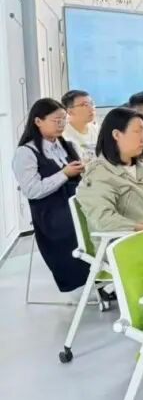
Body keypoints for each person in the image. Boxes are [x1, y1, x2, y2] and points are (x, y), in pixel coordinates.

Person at [12, 98, 89, 292]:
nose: (61, 124)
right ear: (38, 121)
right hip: (51, 214)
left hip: (76, 203)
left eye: (64, 120)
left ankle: (105, 275)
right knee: (84, 227)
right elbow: (32, 190)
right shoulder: (26, 153)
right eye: (56, 120)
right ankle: (93, 278)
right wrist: (64, 174)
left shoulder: (68, 145)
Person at [77, 107, 143, 232]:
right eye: (137, 132)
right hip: (133, 238)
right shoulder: (98, 174)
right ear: (116, 135)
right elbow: (103, 220)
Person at [61, 90, 98, 162]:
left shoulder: (96, 129)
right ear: (70, 111)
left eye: (91, 103)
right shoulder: (63, 134)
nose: (92, 108)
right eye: (85, 105)